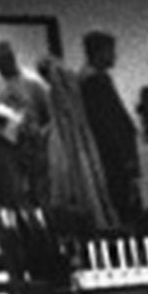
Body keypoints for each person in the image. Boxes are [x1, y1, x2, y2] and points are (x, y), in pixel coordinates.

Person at [37, 47, 118, 230]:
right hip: (81, 142)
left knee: (72, 183)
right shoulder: (73, 85)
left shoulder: (57, 91)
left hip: (66, 143)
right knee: (89, 180)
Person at [80, 30, 143, 227]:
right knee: (124, 208)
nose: (114, 56)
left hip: (111, 156)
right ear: (98, 52)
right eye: (111, 51)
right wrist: (127, 159)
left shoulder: (92, 78)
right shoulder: (94, 81)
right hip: (113, 159)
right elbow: (110, 125)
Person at [0, 40, 52, 208]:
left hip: (32, 139)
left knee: (38, 186)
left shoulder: (33, 81)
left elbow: (51, 113)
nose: (1, 67)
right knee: (14, 187)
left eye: (5, 61)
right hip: (5, 139)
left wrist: (43, 132)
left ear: (12, 58)